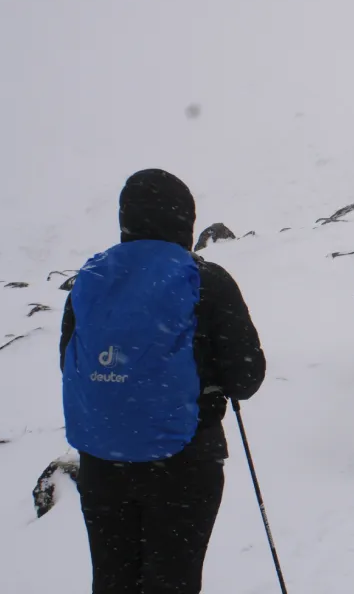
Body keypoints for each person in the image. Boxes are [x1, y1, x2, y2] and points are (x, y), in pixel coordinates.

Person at [60, 168, 266, 594]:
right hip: (183, 462)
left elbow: (69, 361)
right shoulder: (205, 279)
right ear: (185, 220)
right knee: (173, 580)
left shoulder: (91, 278)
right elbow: (246, 377)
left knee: (113, 579)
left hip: (102, 460)